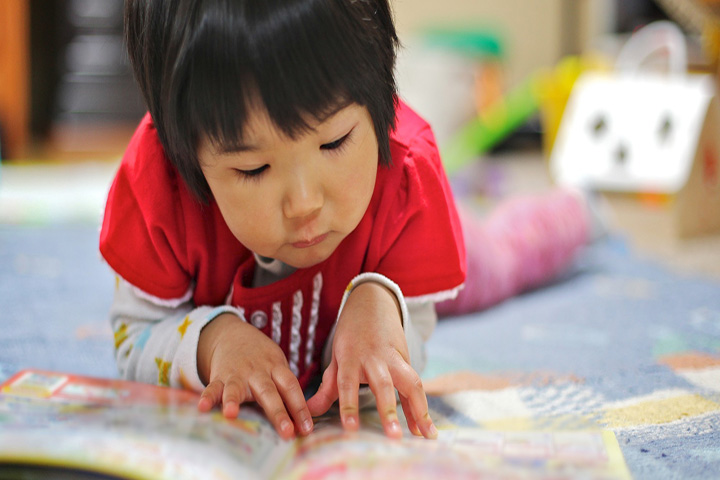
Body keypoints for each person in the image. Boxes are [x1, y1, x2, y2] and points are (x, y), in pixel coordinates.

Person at [101, 0, 593, 442]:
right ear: (182, 149)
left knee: (499, 261)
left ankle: (579, 208)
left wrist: (381, 307)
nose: (304, 203)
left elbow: (414, 338)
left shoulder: (403, 173)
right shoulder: (161, 189)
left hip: (399, 241)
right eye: (253, 169)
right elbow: (134, 336)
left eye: (333, 143)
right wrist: (213, 342)